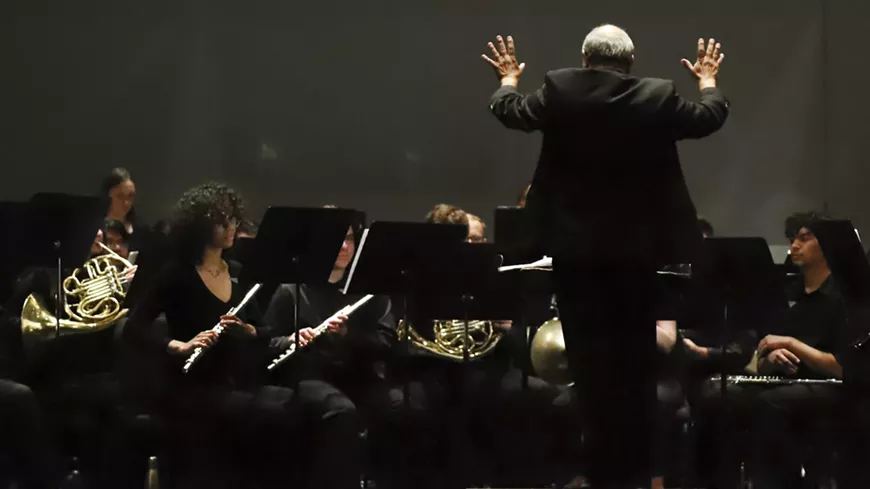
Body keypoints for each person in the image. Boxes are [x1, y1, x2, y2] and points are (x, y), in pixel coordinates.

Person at [482, 24, 729, 488]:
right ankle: (633, 476)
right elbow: (709, 117)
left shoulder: (560, 87)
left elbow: (510, 112)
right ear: (630, 63)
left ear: (584, 57)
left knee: (590, 376)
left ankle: (597, 475)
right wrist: (709, 79)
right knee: (634, 375)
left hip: (576, 259)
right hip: (637, 260)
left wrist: (509, 78)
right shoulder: (658, 96)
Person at [123, 183, 361, 489]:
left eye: (233, 219)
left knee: (303, 408)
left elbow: (263, 333)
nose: (232, 227)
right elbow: (134, 327)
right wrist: (178, 345)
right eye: (223, 221)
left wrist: (251, 331)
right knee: (276, 413)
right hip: (193, 385)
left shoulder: (237, 273)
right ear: (201, 226)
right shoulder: (177, 273)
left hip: (237, 381)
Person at [263, 216, 403, 488]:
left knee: (401, 405)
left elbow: (387, 342)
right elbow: (265, 341)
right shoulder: (292, 290)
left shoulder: (370, 291)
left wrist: (349, 336)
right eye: (337, 238)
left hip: (358, 373)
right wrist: (290, 340)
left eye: (350, 238)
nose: (344, 246)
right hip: (311, 374)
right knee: (341, 410)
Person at [100, 168, 138, 236]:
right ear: (107, 196)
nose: (126, 203)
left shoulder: (138, 230)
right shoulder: (94, 229)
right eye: (120, 196)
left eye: (130, 196)